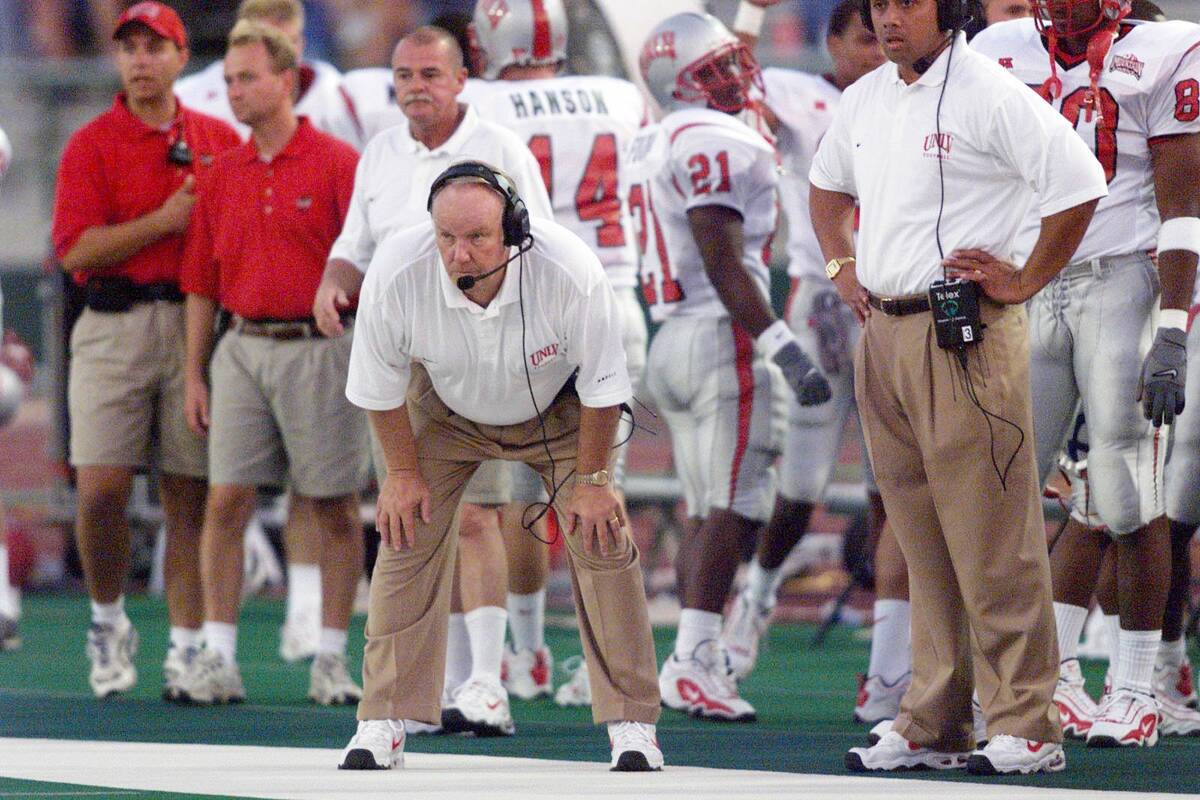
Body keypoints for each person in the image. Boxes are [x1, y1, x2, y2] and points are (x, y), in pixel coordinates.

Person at [812, 0, 1108, 775]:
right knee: (919, 536)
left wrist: (1026, 279)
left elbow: (1081, 183)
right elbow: (826, 188)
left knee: (994, 535)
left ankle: (1030, 724)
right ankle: (936, 720)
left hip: (966, 332)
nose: (887, 18)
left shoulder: (989, 91)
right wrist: (843, 266)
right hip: (885, 328)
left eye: (907, 3)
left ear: (952, 11)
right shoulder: (865, 97)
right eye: (878, 4)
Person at [338, 160, 663, 772]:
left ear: (513, 230)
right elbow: (377, 388)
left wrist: (594, 484)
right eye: (447, 238)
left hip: (560, 410)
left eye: (477, 238)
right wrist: (402, 477)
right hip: (446, 411)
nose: (459, 255)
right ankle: (383, 717)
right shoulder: (397, 270)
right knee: (404, 534)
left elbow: (603, 388)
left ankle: (632, 723)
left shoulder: (569, 270)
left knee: (602, 538)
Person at [313, 25, 553, 737]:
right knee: (413, 515)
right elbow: (354, 243)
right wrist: (332, 281)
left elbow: (535, 239)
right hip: (397, 350)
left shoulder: (501, 147)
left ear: (460, 80)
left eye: (428, 73)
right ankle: (442, 685)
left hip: (472, 348)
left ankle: (488, 679)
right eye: (404, 73)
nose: (414, 85)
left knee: (479, 512)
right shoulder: (381, 151)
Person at [973, 0, 1200, 745]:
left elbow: (1181, 202)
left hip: (1122, 280)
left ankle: (1136, 686)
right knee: (1009, 488)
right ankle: (1046, 675)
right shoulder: (1002, 44)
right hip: (1029, 280)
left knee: (1129, 486)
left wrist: (1172, 326)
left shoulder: (1169, 50)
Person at [633, 12, 831, 724]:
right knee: (729, 504)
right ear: (683, 85)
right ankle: (690, 660)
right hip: (724, 335)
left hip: (673, 336)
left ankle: (701, 648)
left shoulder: (658, 136)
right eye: (713, 71)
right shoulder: (716, 139)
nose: (735, 76)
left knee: (715, 505)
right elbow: (721, 257)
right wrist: (780, 342)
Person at [461, 0, 650, 708]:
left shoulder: (481, 102)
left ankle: (531, 651)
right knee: (599, 493)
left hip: (531, 309)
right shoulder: (620, 97)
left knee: (522, 496)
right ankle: (603, 664)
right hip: (617, 297)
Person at [50, 1, 240, 700]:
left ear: (180, 57)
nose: (139, 59)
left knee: (188, 494)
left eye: (154, 47)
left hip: (197, 322)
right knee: (100, 490)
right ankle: (107, 619)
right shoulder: (93, 142)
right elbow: (77, 249)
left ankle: (187, 647)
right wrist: (161, 222)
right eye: (128, 47)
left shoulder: (218, 138)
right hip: (114, 319)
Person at [175, 19, 365, 706]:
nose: (234, 92)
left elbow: (367, 262)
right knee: (225, 501)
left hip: (321, 351)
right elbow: (200, 281)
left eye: (247, 78)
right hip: (242, 348)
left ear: (287, 82)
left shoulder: (340, 162)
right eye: (227, 81)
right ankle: (217, 657)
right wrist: (196, 374)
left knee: (335, 507)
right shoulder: (219, 173)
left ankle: (331, 659)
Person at [719, 0, 899, 712]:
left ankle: (893, 653)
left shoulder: (911, 94)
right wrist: (751, 13)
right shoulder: (801, 97)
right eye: (864, 38)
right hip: (824, 300)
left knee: (893, 488)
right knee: (802, 484)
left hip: (895, 306)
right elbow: (732, 86)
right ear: (832, 43)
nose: (881, 51)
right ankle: (756, 596)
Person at [176, 0, 363, 149]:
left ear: (301, 44)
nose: (280, 56)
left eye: (288, 43)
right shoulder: (189, 99)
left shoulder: (342, 99)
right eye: (267, 46)